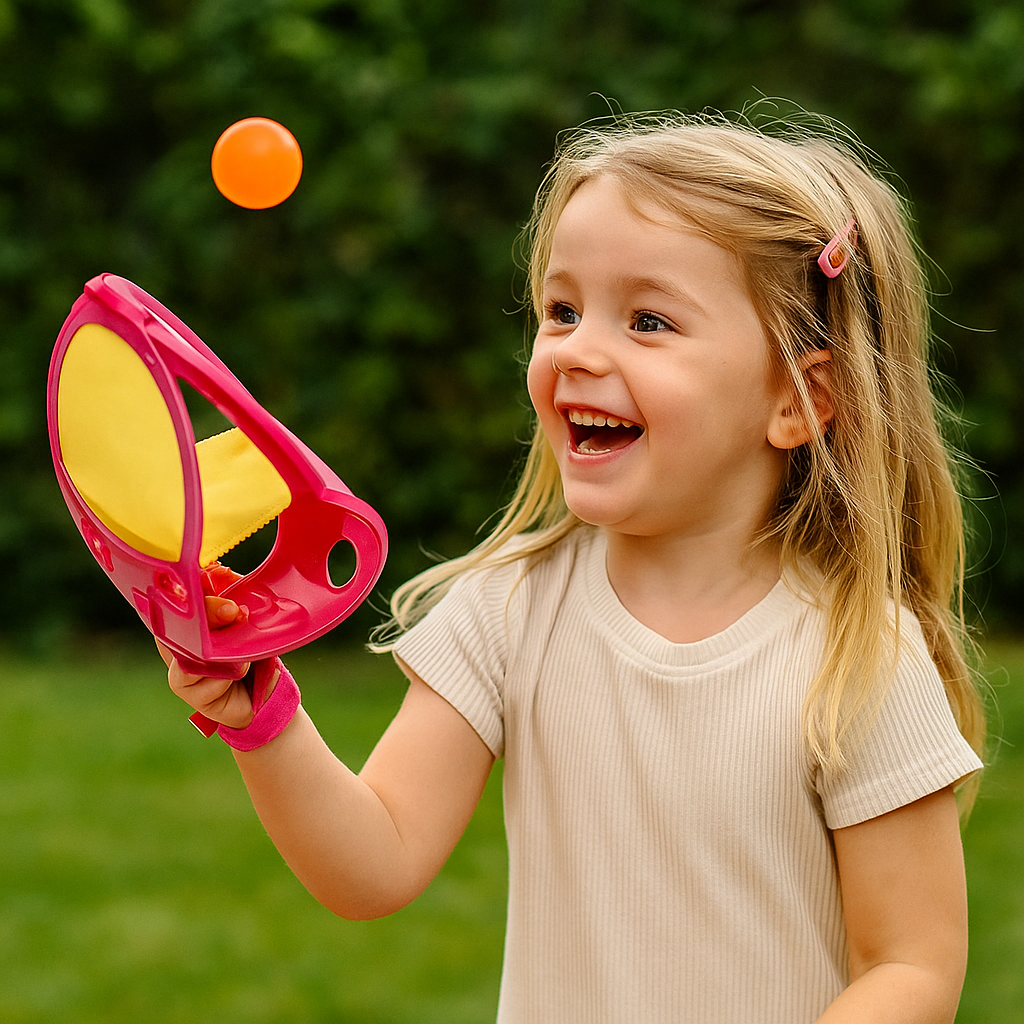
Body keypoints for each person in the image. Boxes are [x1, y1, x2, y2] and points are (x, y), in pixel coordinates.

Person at [162, 111, 988, 1024]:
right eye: (562, 310)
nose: (578, 350)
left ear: (798, 397)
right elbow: (376, 862)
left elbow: (911, 964)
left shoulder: (858, 657)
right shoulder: (508, 610)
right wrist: (264, 721)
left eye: (648, 320)